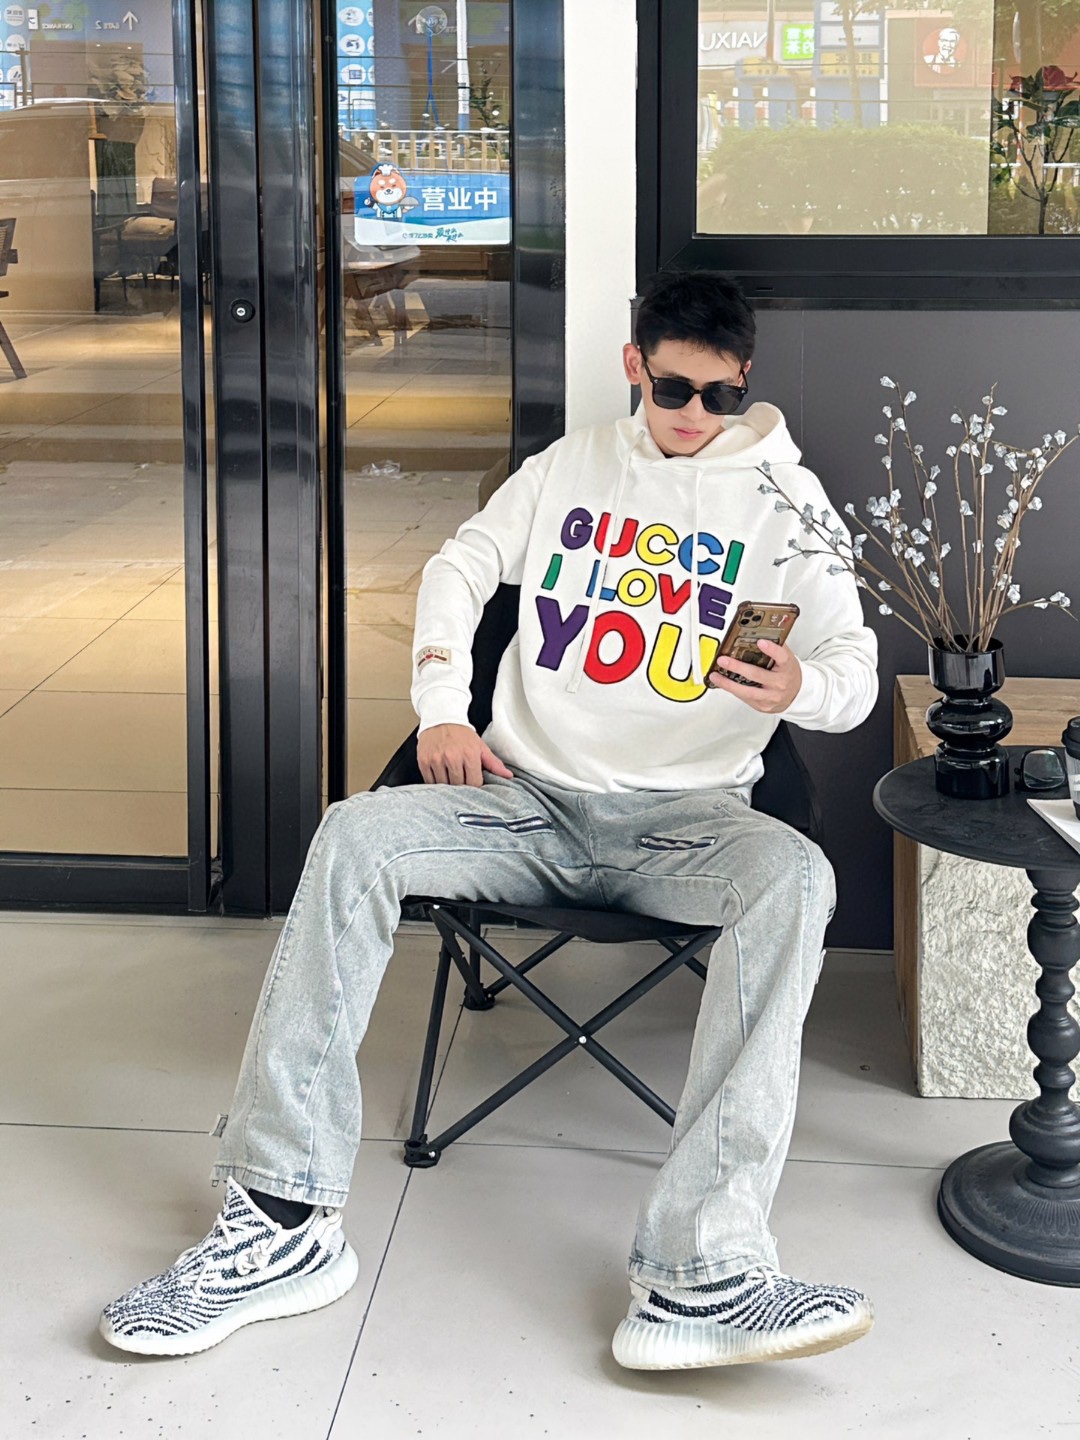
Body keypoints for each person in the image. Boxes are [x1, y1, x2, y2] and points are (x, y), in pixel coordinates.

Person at [100, 271, 879, 1369]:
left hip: (688, 824)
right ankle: (282, 1220)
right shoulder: (570, 466)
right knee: (353, 835)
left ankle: (698, 1271)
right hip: (522, 803)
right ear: (634, 367)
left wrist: (801, 685)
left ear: (744, 380)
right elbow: (460, 564)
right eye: (671, 389)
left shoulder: (787, 503)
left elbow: (856, 673)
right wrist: (441, 709)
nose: (694, 415)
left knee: (796, 878)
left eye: (718, 394)